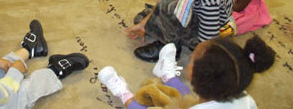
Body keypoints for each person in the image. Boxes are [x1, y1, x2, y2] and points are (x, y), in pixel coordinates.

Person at [98, 35, 275, 108]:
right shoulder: (242, 95)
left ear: (199, 79)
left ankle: (124, 94)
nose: (188, 62)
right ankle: (166, 74)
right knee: (186, 98)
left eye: (191, 61)